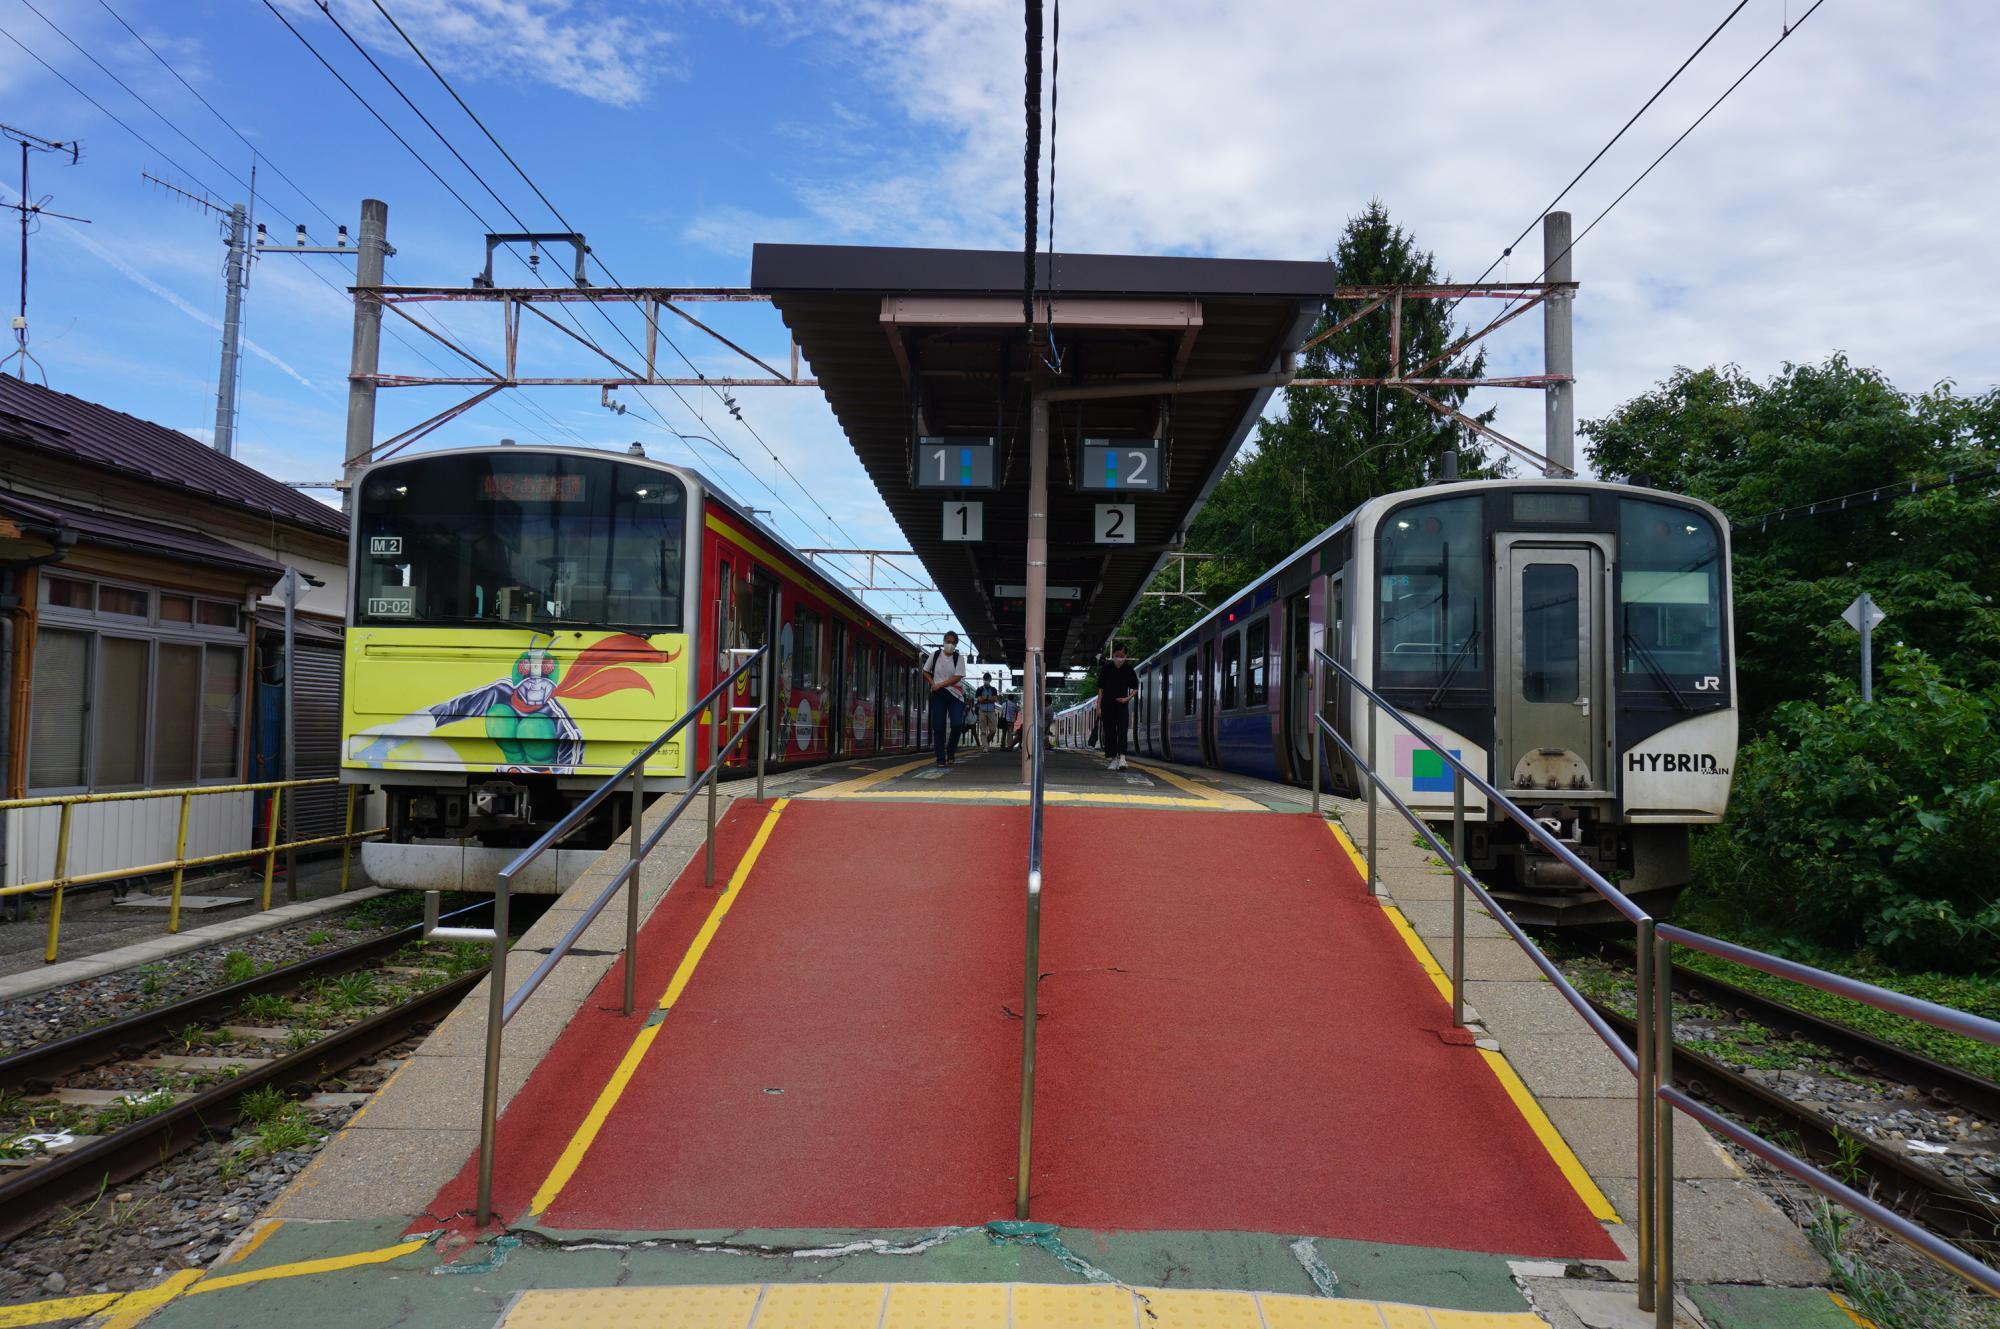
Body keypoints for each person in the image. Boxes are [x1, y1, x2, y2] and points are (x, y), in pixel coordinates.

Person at [923, 632, 967, 768]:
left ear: (956, 645)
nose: (950, 645)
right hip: (939, 695)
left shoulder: (958, 658)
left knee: (956, 724)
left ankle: (951, 751)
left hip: (955, 695)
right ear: (943, 641)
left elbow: (957, 677)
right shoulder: (935, 655)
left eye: (953, 643)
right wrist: (932, 683)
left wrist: (939, 684)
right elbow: (925, 671)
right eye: (948, 641)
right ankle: (940, 758)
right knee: (939, 726)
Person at [1097, 642, 1139, 771]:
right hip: (1107, 706)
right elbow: (1100, 689)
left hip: (1122, 705)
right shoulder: (1106, 669)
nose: (1119, 658)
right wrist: (1099, 707)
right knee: (1110, 732)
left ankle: (1122, 758)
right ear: (1113, 655)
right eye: (1116, 655)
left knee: (1122, 731)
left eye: (1121, 656)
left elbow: (1135, 688)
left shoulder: (1129, 670)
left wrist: (1127, 698)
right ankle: (1113, 758)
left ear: (1125, 656)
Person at [973, 672, 1001, 749]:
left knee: (993, 730)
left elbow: (994, 699)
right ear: (983, 679)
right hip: (982, 711)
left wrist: (985, 698)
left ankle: (986, 743)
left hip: (991, 711)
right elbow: (980, 700)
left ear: (990, 680)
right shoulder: (979, 689)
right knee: (983, 731)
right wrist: (989, 699)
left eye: (987, 679)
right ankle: (985, 746)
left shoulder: (993, 689)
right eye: (985, 679)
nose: (986, 681)